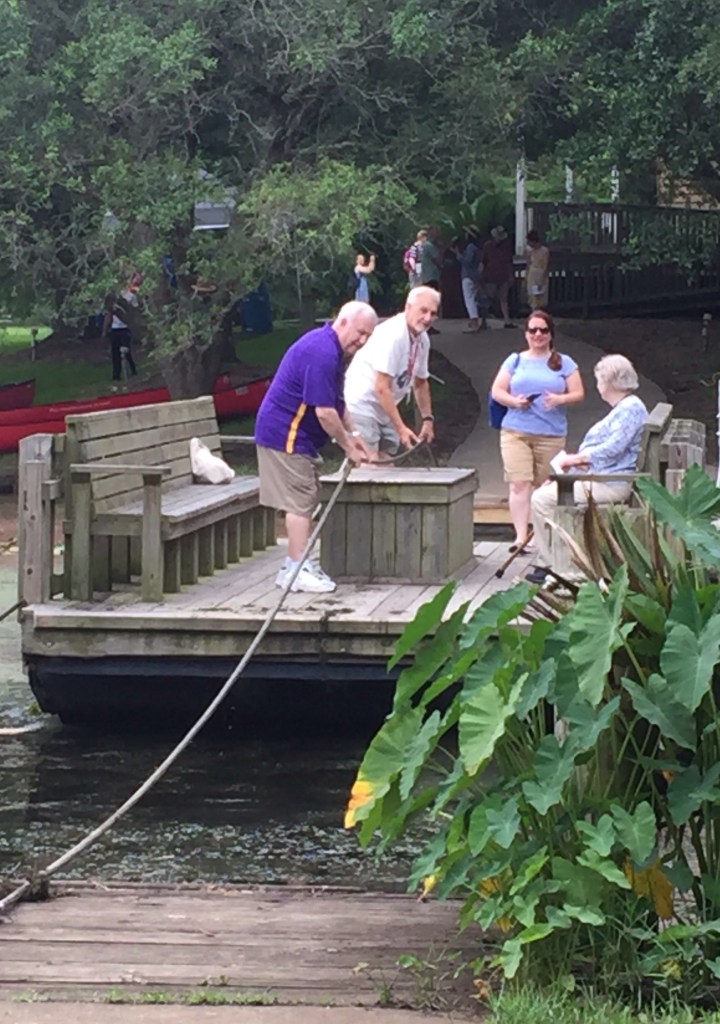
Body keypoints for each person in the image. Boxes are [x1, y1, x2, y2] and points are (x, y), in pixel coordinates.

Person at [255, 301, 377, 594]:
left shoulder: (333, 350)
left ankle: (296, 564)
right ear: (343, 321)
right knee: (301, 499)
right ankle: (296, 570)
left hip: (297, 435)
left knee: (306, 496)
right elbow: (324, 412)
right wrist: (348, 446)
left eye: (367, 337)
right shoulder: (321, 352)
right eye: (359, 333)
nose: (361, 341)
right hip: (285, 433)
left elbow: (336, 402)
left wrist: (355, 433)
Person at [526, 354, 648, 584]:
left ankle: (553, 565)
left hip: (611, 483)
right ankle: (555, 561)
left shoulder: (630, 408)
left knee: (542, 499)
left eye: (600, 380)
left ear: (610, 381)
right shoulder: (625, 407)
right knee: (545, 494)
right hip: (602, 477)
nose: (598, 385)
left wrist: (574, 461)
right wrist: (569, 471)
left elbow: (613, 449)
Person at [490, 310, 585, 551]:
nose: (538, 334)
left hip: (551, 433)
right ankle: (521, 537)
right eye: (533, 330)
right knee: (519, 483)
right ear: (526, 333)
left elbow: (578, 393)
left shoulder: (564, 362)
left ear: (551, 334)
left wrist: (559, 399)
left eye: (543, 330)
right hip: (515, 430)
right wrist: (514, 402)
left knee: (546, 486)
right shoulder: (515, 360)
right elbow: (497, 391)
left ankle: (542, 534)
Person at [344, 286, 439, 458]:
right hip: (361, 403)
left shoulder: (422, 339)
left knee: (388, 461)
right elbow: (381, 387)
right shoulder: (394, 335)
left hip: (384, 407)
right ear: (408, 307)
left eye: (433, 314)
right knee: (369, 463)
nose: (427, 318)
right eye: (423, 311)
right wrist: (401, 428)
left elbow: (421, 382)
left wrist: (427, 420)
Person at [103, 272, 142, 383]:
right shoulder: (114, 297)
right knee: (115, 352)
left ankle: (133, 370)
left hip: (125, 328)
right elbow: (109, 314)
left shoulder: (130, 296)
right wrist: (106, 329)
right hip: (115, 329)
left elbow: (133, 310)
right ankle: (116, 375)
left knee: (125, 350)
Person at [481, 225, 515, 327]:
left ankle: (507, 321)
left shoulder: (506, 246)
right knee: (488, 298)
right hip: (490, 276)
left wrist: (511, 276)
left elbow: (509, 262)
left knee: (504, 298)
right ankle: (484, 320)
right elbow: (483, 261)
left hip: (503, 275)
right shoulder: (487, 246)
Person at [453, 226, 485, 332]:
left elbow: (467, 261)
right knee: (474, 299)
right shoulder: (478, 248)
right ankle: (478, 321)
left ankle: (474, 321)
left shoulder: (471, 247)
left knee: (469, 299)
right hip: (475, 276)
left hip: (468, 275)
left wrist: (458, 255)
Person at [525, 229, 550, 311]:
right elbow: (528, 264)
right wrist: (526, 277)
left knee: (541, 299)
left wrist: (542, 280)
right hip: (532, 275)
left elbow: (546, 266)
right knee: (533, 299)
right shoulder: (529, 251)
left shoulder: (544, 251)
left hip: (541, 273)